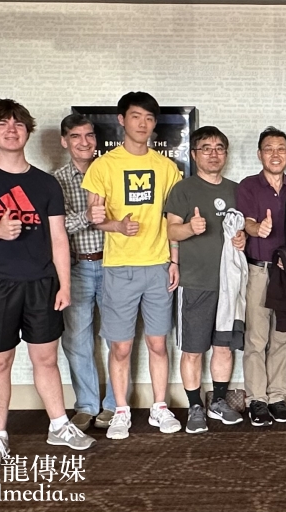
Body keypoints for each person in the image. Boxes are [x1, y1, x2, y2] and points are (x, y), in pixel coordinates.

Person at [0, 99, 95, 470]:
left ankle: (59, 425)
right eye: (2, 124)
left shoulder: (45, 183)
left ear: (27, 131)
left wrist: (64, 285)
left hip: (41, 283)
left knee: (46, 359)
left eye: (18, 124)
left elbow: (59, 238)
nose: (11, 130)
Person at [82, 91, 182, 439]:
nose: (143, 124)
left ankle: (160, 407)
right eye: (136, 116)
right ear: (122, 120)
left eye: (149, 118)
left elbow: (173, 218)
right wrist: (117, 226)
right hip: (119, 267)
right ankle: (121, 410)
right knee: (121, 346)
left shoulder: (167, 167)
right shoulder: (103, 166)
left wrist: (174, 260)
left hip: (158, 266)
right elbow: (95, 218)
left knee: (158, 343)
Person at [166, 126, 247, 433]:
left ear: (226, 154)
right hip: (195, 282)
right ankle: (195, 406)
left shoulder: (237, 190)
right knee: (193, 349)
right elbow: (170, 230)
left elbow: (244, 227)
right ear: (194, 154)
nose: (213, 154)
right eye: (206, 148)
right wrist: (190, 228)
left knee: (223, 347)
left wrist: (242, 238)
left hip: (229, 285)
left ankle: (219, 401)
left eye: (219, 148)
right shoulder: (183, 189)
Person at [53, 113, 119, 431]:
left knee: (118, 338)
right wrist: (88, 216)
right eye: (76, 136)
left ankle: (115, 406)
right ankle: (87, 405)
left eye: (89, 135)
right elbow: (55, 227)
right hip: (76, 267)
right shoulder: (55, 180)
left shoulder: (111, 171)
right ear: (64, 141)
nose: (84, 142)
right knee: (77, 340)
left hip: (114, 265)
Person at [238, 127, 286, 426]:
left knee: (282, 336)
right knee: (256, 337)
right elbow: (247, 222)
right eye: (269, 149)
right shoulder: (249, 186)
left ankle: (277, 396)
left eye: (280, 148)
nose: (275, 154)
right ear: (259, 154)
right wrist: (258, 229)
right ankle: (257, 399)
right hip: (259, 271)